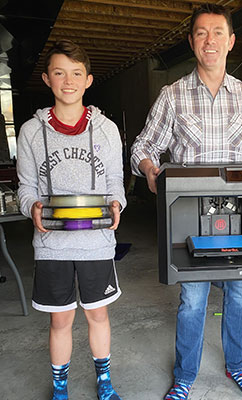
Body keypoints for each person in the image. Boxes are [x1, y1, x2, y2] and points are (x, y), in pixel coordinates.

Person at [131, 4, 242, 399]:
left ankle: (238, 366)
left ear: (231, 41)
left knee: (238, 294)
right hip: (190, 213)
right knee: (193, 299)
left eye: (218, 32)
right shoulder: (172, 95)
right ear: (191, 42)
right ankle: (185, 376)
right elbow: (143, 146)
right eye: (201, 33)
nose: (210, 40)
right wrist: (151, 170)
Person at [17, 40, 126, 400]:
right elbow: (26, 187)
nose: (68, 81)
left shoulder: (107, 130)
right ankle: (60, 387)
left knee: (98, 316)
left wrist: (117, 205)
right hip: (52, 245)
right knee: (59, 320)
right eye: (60, 73)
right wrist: (31, 206)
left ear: (88, 80)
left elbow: (115, 182)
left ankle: (104, 380)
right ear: (47, 79)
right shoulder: (31, 132)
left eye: (76, 73)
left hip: (96, 243)